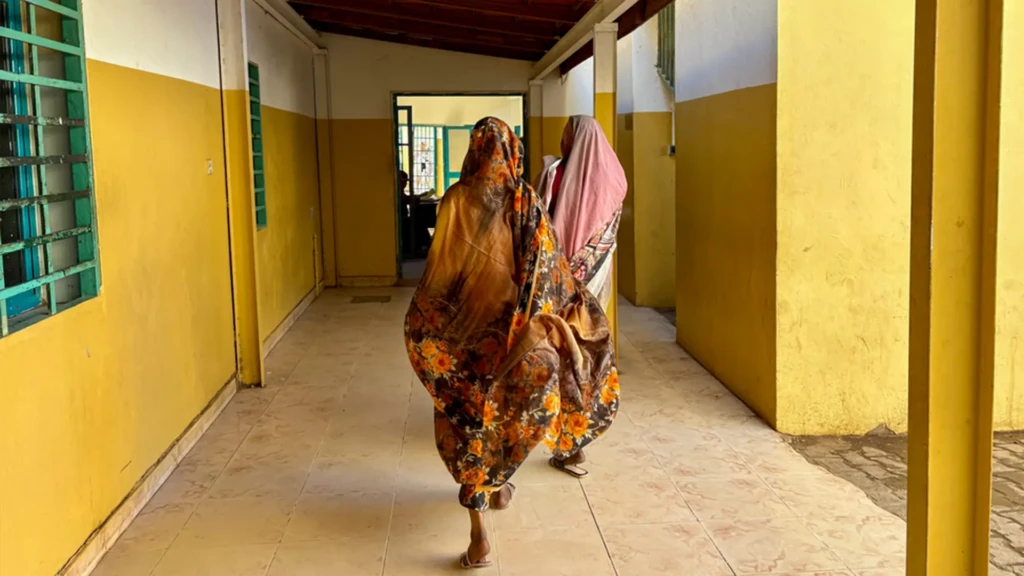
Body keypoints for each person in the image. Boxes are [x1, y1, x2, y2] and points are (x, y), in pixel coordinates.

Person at [405, 118, 619, 569]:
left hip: (462, 343)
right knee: (504, 418)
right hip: (512, 341)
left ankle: (480, 533)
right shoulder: (527, 201)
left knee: (467, 427)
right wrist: (571, 313)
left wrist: (432, 326)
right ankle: (500, 486)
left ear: (474, 150)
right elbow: (551, 275)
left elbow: (438, 276)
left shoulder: (455, 200)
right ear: (514, 151)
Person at [533, 115, 627, 477]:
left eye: (565, 135)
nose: (561, 141)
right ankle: (574, 437)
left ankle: (565, 438)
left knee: (559, 356)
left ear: (576, 139)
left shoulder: (558, 175)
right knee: (585, 354)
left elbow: (549, 223)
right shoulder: (614, 176)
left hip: (561, 283)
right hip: (595, 284)